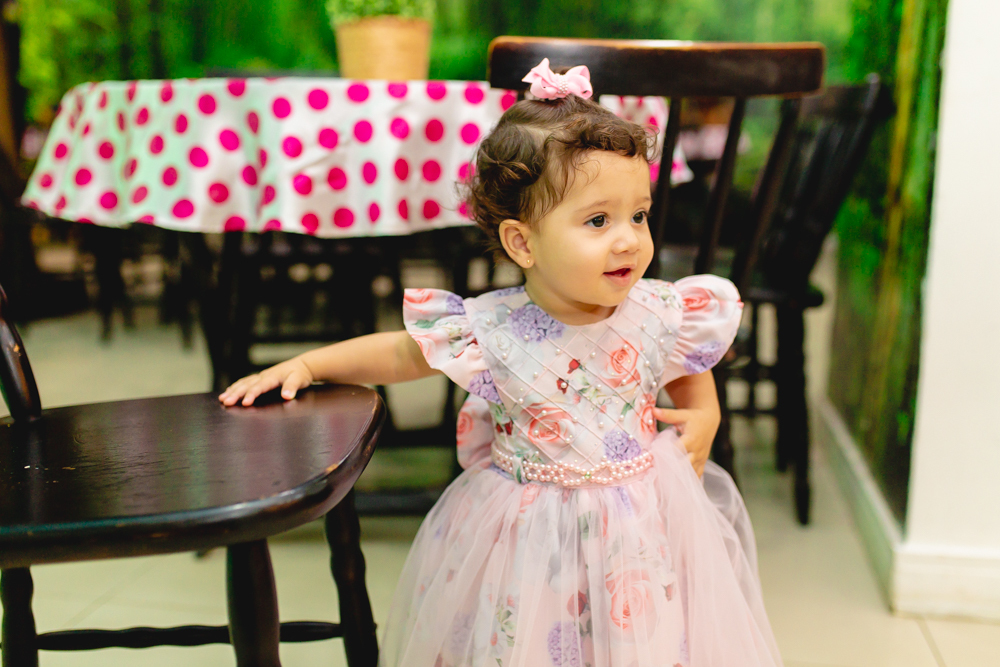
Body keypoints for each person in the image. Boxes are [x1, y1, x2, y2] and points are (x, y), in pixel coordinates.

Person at [220, 59, 782, 667]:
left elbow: (687, 360)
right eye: (598, 220)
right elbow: (401, 352)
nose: (628, 239)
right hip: (528, 538)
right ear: (522, 242)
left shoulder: (657, 308)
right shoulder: (493, 326)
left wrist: (705, 413)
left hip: (638, 530)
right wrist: (310, 365)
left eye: (639, 215)